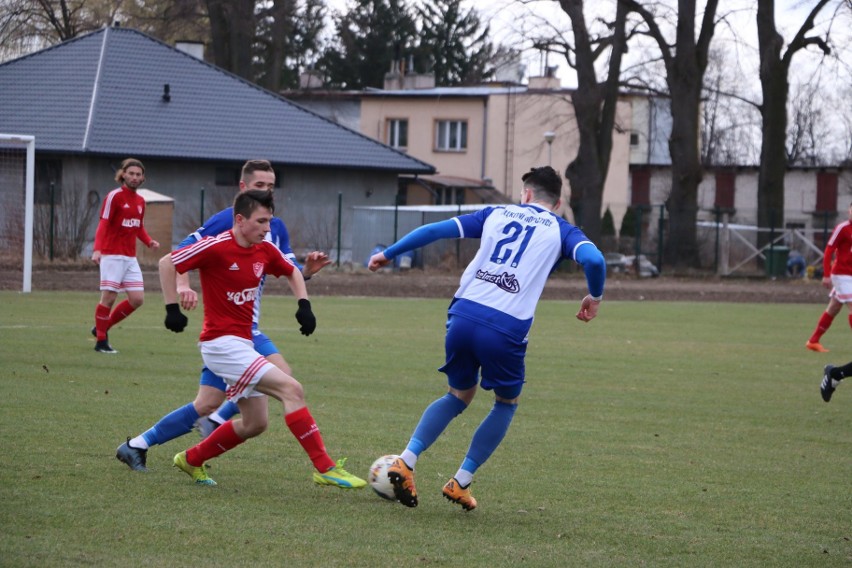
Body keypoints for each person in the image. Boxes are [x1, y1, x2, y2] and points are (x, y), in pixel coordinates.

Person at [367, 166, 606, 510]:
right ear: (558, 202)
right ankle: (460, 481)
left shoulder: (495, 213)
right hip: (505, 327)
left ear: (525, 194)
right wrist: (594, 297)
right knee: (506, 403)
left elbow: (435, 230)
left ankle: (405, 461)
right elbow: (594, 259)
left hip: (463, 314)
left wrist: (387, 254)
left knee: (458, 395)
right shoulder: (562, 230)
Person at [115, 160, 336, 480]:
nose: (267, 193)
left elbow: (286, 270)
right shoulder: (226, 222)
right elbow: (180, 257)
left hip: (247, 329)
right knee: (285, 380)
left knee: (210, 403)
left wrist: (307, 276)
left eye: (272, 187)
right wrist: (180, 290)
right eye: (261, 186)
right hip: (229, 331)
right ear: (243, 189)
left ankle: (141, 444)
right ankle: (220, 423)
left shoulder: (275, 226)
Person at [157, 189, 364, 488]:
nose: (268, 229)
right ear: (240, 220)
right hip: (220, 344)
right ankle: (325, 467)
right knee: (292, 389)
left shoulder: (264, 250)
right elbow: (167, 262)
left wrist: (304, 305)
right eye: (261, 221)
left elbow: (292, 271)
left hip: (242, 343)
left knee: (256, 423)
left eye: (269, 221)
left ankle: (191, 459)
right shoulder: (215, 247)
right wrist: (171, 308)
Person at [91, 158, 160, 353]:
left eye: (139, 174)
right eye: (131, 173)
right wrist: (97, 249)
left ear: (143, 178)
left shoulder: (140, 202)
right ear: (123, 174)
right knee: (109, 298)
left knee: (137, 299)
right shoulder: (114, 196)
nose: (135, 177)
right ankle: (101, 343)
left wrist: (149, 242)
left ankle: (101, 328)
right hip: (112, 255)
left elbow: (138, 227)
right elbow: (103, 223)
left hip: (130, 258)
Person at [806, 202, 852, 353]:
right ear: (849, 211)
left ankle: (813, 341)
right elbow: (829, 250)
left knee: (834, 307)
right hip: (841, 274)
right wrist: (826, 275)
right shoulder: (842, 228)